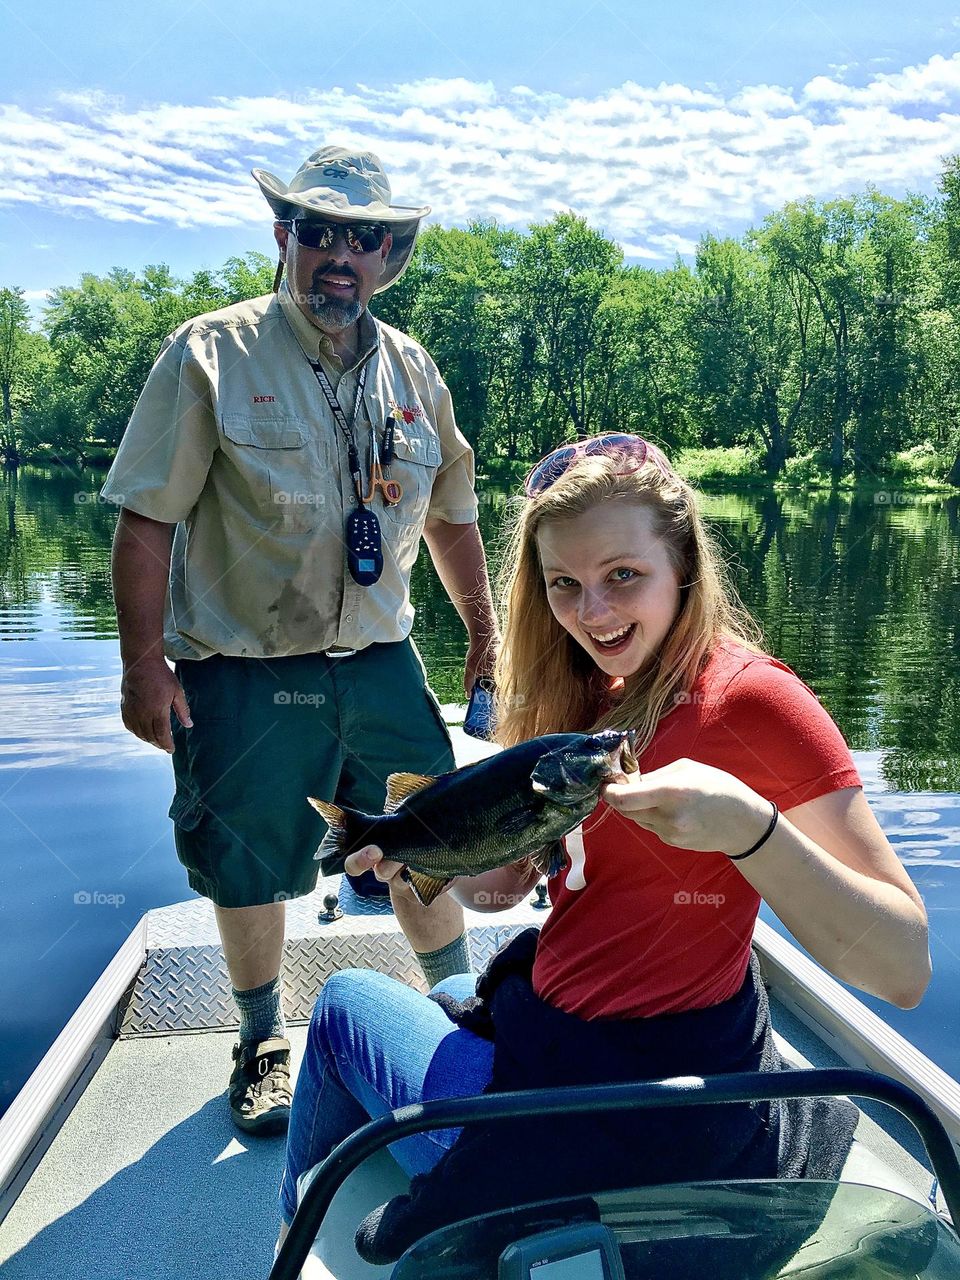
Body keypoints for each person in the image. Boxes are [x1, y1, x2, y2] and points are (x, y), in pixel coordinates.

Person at [274, 432, 931, 1263]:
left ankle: (288, 1242)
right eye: (565, 585)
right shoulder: (573, 695)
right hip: (560, 1034)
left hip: (594, 1113)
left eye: (624, 575)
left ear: (684, 563)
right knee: (461, 993)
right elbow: (493, 896)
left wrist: (752, 832)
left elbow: (904, 969)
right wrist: (452, 859)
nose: (594, 613)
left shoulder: (755, 704)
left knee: (338, 1005)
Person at [102, 147, 498, 1136]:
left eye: (364, 238)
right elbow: (146, 520)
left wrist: (486, 631)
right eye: (317, 231)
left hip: (379, 663)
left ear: (392, 256)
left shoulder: (416, 372)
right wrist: (141, 664)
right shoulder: (208, 353)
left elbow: (452, 517)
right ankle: (260, 1039)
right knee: (245, 858)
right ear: (283, 237)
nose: (339, 256)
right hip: (239, 670)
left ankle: (462, 1008)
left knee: (429, 837)